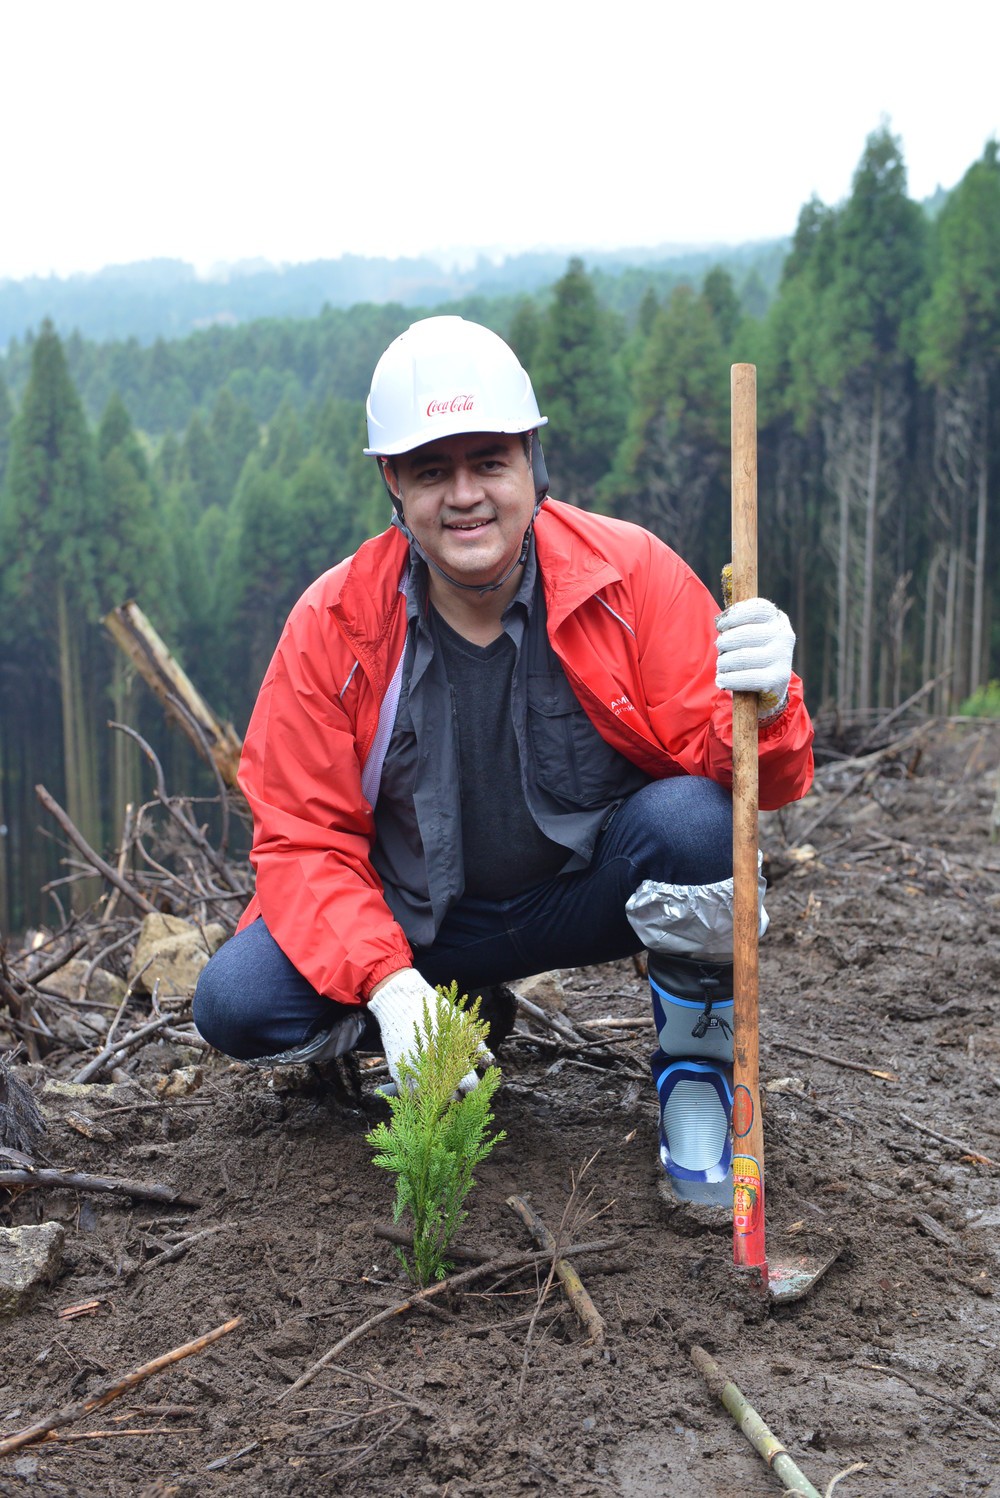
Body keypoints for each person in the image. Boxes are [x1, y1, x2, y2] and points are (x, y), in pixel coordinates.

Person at [193, 315, 814, 1204]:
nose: (465, 496)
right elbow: (303, 839)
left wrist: (771, 702)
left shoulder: (627, 576)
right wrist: (388, 985)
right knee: (240, 1002)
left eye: (488, 461)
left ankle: (697, 1083)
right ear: (392, 484)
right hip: (421, 929)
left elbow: (760, 781)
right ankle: (444, 1018)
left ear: (531, 463)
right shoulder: (335, 626)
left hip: (584, 898)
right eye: (431, 471)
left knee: (699, 826)